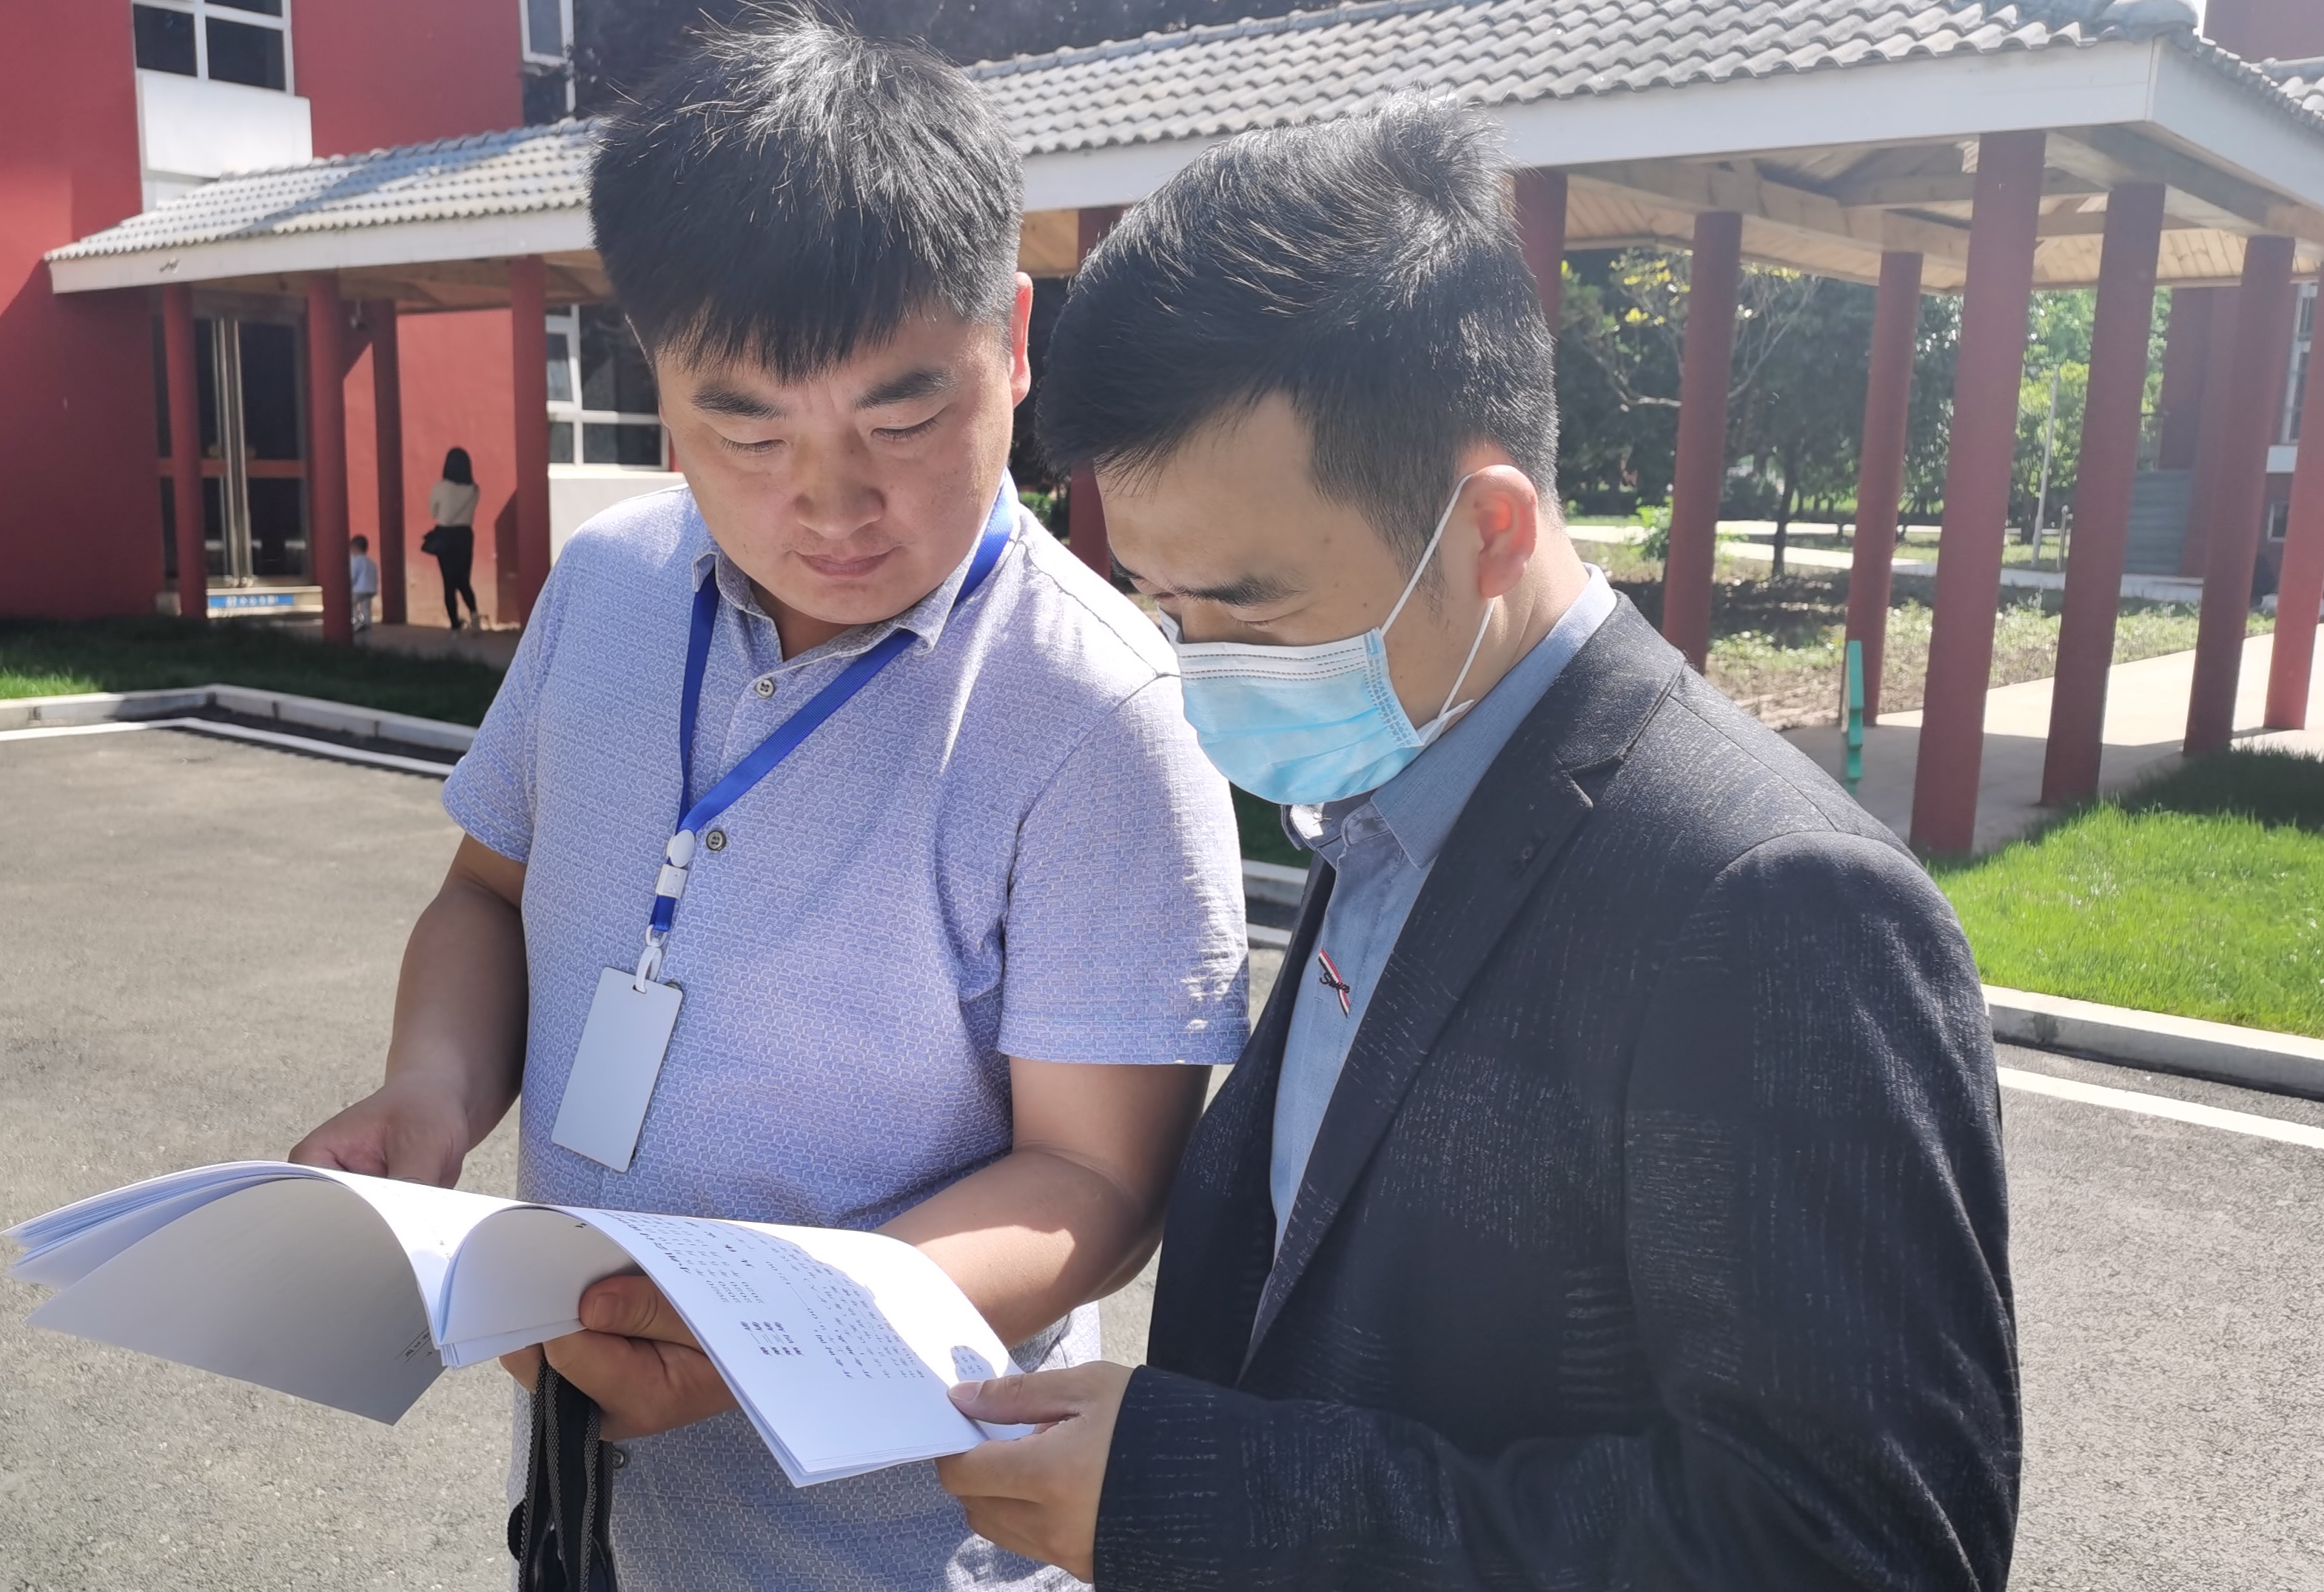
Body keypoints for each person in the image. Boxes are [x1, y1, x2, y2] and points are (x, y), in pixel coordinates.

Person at [936, 104, 2022, 1591]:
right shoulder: (1398, 767)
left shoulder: (1772, 905)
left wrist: (1199, 1491)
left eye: (1246, 609)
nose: (1202, 668)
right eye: (1162, 605)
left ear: (1491, 528)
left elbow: (1855, 1550)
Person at [287, 16, 1246, 1592]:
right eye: (745, 426)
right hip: (585, 1506)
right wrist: (432, 1093)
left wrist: (763, 1333)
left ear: (1013, 342)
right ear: (655, 378)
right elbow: (486, 891)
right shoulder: (605, 587)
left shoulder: (1095, 716)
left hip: (890, 1546)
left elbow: (1095, 1180)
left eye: (903, 417)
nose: (831, 503)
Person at [423, 446, 482, 630]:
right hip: (465, 535)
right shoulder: (474, 489)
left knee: (449, 582)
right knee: (464, 579)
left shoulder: (440, 487)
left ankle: (455, 624)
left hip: (445, 535)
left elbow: (433, 512)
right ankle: (474, 615)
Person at [347, 534, 379, 633]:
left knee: (349, 604)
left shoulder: (356, 561)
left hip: (359, 589)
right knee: (366, 607)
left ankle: (358, 621)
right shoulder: (371, 562)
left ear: (354, 548)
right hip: (371, 589)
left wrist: (348, 586)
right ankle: (367, 623)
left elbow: (353, 575)